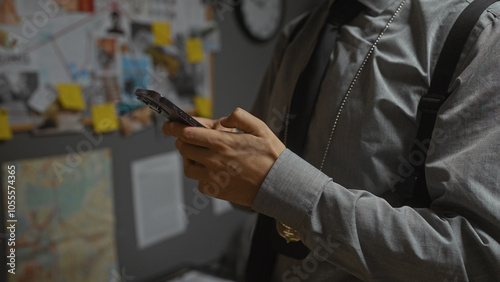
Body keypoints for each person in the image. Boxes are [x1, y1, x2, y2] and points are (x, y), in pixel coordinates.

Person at [163, 0, 500, 280]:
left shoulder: (480, 36)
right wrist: (230, 162)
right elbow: (255, 191)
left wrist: (280, 184)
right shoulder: (297, 34)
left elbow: (479, 258)